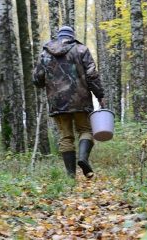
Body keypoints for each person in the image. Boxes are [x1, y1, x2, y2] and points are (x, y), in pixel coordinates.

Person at [33, 26, 105, 179]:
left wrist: (46, 83)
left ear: (59, 37)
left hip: (57, 102)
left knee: (66, 137)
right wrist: (99, 94)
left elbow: (37, 79)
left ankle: (71, 176)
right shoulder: (81, 49)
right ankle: (83, 159)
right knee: (86, 130)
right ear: (72, 36)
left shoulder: (45, 53)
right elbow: (92, 74)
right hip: (80, 99)